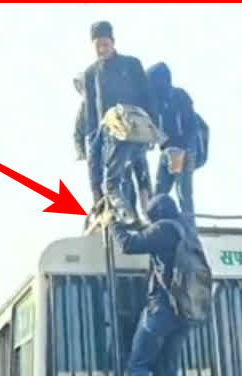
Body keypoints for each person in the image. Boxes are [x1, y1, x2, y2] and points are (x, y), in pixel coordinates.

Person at [111, 194, 194, 376]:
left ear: (155, 214)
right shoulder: (187, 232)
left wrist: (113, 225)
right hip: (186, 313)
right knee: (167, 374)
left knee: (138, 365)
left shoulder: (164, 228)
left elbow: (128, 244)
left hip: (162, 309)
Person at [80, 20, 157, 224]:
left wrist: (153, 128)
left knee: (140, 171)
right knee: (115, 177)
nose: (101, 49)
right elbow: (90, 113)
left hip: (135, 127)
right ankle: (123, 215)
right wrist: (91, 142)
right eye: (97, 45)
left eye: (105, 44)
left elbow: (147, 96)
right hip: (108, 134)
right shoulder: (90, 74)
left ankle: (149, 214)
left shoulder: (131, 64)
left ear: (113, 42)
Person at [147, 62, 199, 219]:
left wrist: (183, 149)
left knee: (183, 194)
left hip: (179, 151)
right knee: (159, 194)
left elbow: (191, 125)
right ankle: (155, 226)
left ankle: (189, 230)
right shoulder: (156, 101)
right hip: (165, 152)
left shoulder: (179, 96)